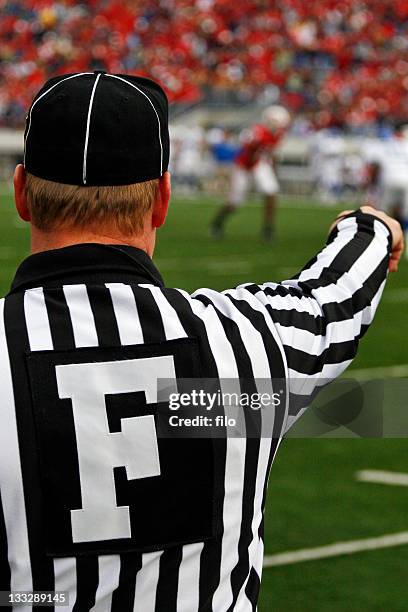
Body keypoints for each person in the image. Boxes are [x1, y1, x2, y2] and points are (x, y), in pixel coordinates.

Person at [0, 71, 403, 611]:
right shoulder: (244, 341)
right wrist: (371, 229)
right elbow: (333, 299)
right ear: (162, 199)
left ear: (22, 192)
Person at [210, 105, 290, 242]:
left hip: (259, 164)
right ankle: (217, 222)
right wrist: (256, 143)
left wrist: (274, 170)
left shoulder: (278, 134)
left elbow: (271, 153)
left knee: (271, 191)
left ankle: (268, 228)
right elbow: (247, 148)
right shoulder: (257, 131)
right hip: (243, 166)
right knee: (235, 202)